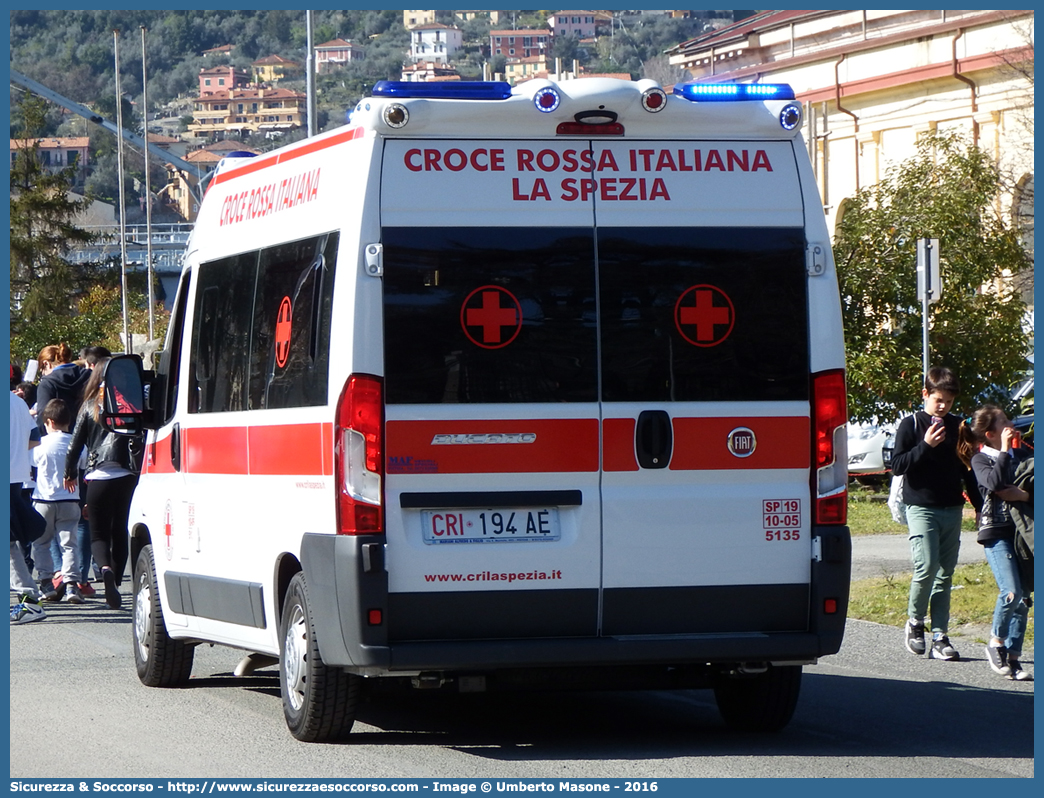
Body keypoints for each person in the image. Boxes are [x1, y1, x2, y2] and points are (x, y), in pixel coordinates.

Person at [890, 367, 981, 661]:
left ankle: (941, 635)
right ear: (925, 395)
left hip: (951, 507)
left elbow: (968, 471)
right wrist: (926, 445)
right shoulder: (911, 424)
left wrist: (980, 507)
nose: (943, 407)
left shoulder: (958, 426)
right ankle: (915, 623)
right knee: (926, 565)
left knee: (945, 573)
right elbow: (898, 465)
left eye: (949, 402)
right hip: (920, 507)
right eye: (938, 400)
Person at [958, 405, 1033, 681]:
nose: (1011, 424)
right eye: (1004, 422)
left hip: (1022, 533)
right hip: (996, 534)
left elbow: (1029, 491)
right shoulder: (981, 460)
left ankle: (1014, 658)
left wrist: (1023, 497)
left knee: (1024, 598)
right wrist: (1003, 449)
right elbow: (996, 484)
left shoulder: (1023, 455)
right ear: (990, 434)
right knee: (1011, 591)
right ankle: (996, 642)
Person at [64, 359, 143, 610]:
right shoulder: (131, 403)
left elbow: (74, 446)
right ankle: (117, 583)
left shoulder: (89, 406)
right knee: (120, 530)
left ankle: (105, 569)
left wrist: (69, 473)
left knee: (98, 534)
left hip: (98, 476)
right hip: (128, 475)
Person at [32, 399, 88, 604]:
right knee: (70, 544)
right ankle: (72, 585)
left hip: (43, 499)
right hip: (70, 499)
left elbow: (33, 466)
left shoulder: (40, 443)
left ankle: (46, 582)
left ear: (49, 422)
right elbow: (83, 467)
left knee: (41, 543)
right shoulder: (77, 444)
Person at [10, 392, 46, 624]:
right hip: (15, 475)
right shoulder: (18, 402)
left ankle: (31, 599)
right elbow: (34, 438)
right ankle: (30, 598)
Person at [35, 343, 90, 435]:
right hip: (90, 438)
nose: (43, 375)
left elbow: (43, 417)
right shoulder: (90, 376)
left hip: (62, 439)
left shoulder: (47, 383)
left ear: (46, 364)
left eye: (42, 371)